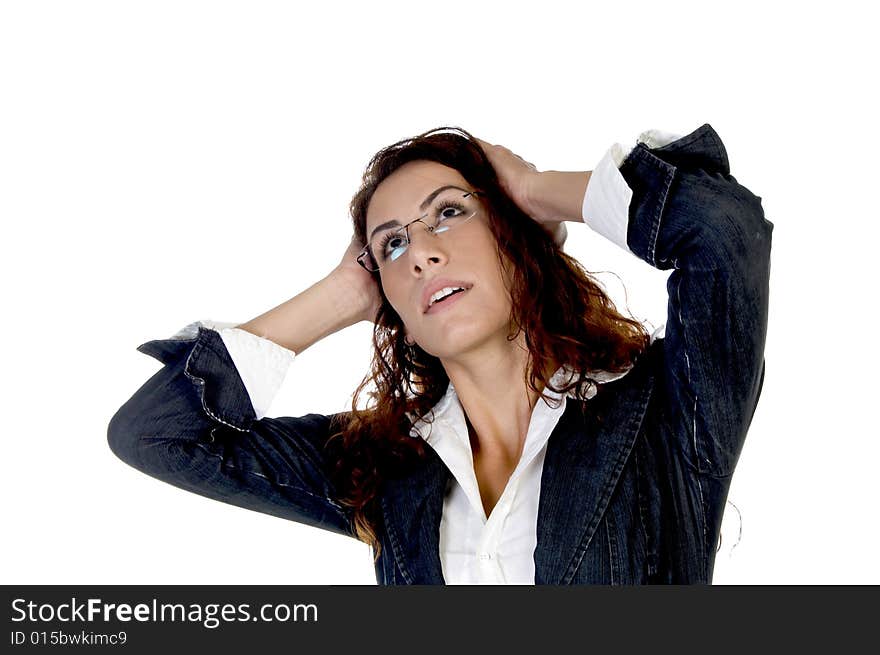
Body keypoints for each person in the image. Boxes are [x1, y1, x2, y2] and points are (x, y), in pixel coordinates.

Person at [108, 123, 773, 584]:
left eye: (449, 212)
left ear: (516, 234)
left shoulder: (664, 412)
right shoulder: (387, 470)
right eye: (392, 244)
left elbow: (724, 231)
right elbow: (156, 435)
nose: (421, 251)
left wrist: (539, 187)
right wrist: (343, 292)